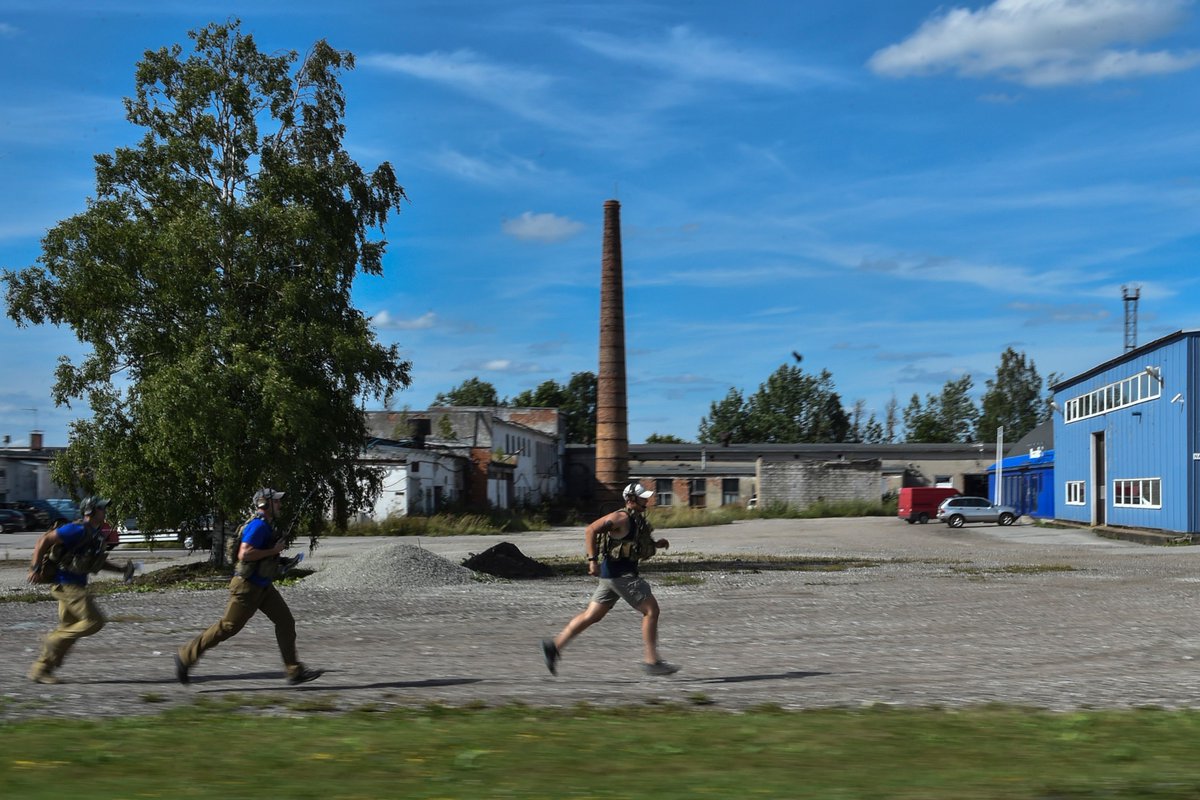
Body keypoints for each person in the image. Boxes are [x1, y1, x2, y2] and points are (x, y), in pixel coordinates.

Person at [174, 488, 321, 686]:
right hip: (247, 587)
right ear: (264, 503)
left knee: (285, 622)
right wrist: (274, 549)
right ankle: (186, 656)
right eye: (276, 501)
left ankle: (294, 671)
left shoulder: (266, 525)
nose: (280, 505)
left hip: (263, 586)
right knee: (227, 627)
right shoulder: (258, 526)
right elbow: (245, 554)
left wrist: (281, 559)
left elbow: (261, 555)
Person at [542, 482, 678, 676]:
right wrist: (592, 560)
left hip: (611, 577)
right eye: (642, 498)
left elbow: (633, 544)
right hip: (621, 576)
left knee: (592, 616)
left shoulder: (636, 519)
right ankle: (652, 661)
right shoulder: (620, 517)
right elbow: (590, 530)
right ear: (631, 500)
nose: (646, 501)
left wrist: (656, 544)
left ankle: (554, 646)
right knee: (651, 611)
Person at [27, 497, 134, 684]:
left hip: (76, 585)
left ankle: (40, 670)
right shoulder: (76, 529)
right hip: (65, 584)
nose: (105, 511)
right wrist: (35, 568)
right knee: (94, 621)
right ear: (90, 511)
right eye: (101, 508)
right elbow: (43, 541)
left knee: (69, 629)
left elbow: (96, 562)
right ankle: (53, 640)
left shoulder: (95, 534)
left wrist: (121, 570)